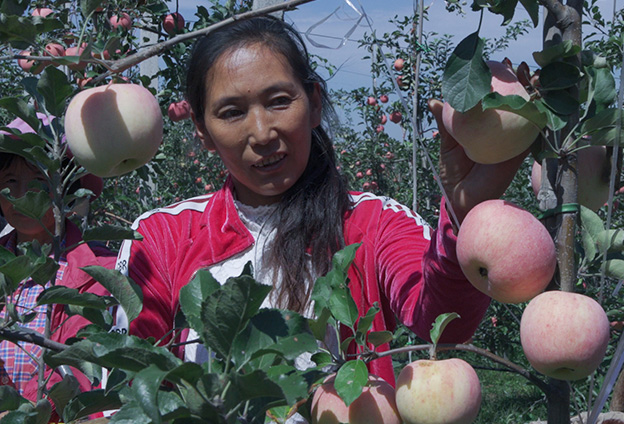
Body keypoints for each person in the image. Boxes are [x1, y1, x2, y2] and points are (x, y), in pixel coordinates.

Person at [113, 15, 526, 388]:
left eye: (278, 101)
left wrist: (464, 212)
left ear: (313, 103)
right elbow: (129, 384)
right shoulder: (159, 238)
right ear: (202, 131)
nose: (262, 133)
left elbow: (442, 322)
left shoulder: (373, 223)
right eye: (232, 112)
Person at [0, 114, 116, 415]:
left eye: (39, 181)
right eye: (10, 181)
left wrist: (24, 412)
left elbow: (80, 367)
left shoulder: (101, 270)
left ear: (67, 188)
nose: (23, 195)